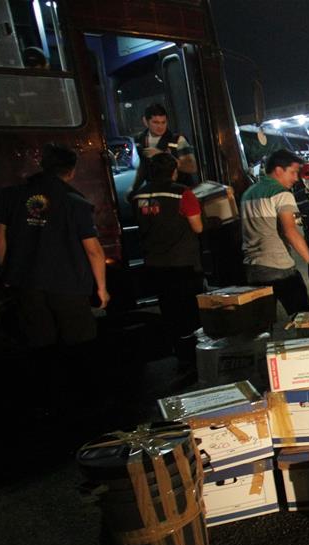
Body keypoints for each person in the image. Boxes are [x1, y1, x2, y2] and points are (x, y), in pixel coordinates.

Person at [0, 145, 109, 411]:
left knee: (40, 342)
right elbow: (92, 250)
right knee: (79, 342)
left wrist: (9, 270)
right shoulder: (74, 202)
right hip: (67, 284)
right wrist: (101, 288)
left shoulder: (11, 195)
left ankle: (47, 399)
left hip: (27, 282)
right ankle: (84, 400)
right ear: (70, 172)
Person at [129, 153, 204, 365]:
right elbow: (197, 226)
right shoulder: (182, 193)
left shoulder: (137, 196)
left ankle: (178, 354)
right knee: (189, 314)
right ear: (174, 171)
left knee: (169, 311)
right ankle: (193, 360)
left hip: (155, 264)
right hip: (184, 264)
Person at [240, 149, 309, 316]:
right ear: (278, 170)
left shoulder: (248, 194)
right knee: (303, 319)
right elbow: (290, 232)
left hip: (254, 268)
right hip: (279, 268)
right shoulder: (281, 194)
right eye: (292, 172)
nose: (296, 178)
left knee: (263, 323)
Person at [131, 103, 197, 192]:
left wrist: (163, 155)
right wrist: (134, 189)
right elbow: (143, 167)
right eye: (155, 122)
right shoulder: (140, 140)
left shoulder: (177, 139)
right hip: (155, 191)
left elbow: (192, 167)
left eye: (163, 122)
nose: (160, 126)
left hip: (179, 190)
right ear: (145, 122)